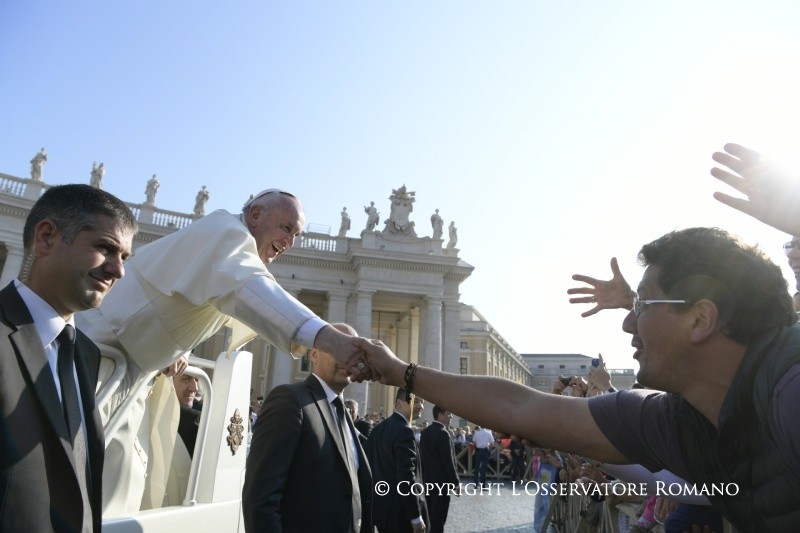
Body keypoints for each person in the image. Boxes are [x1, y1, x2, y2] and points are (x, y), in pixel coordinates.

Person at [357, 224, 800, 531]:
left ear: (700, 319)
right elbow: (525, 408)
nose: (628, 323)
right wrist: (399, 371)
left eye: (642, 307)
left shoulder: (790, 391)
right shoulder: (671, 421)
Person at [77, 188, 371, 515]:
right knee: (89, 485)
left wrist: (177, 347)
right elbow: (249, 290)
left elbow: (177, 304)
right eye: (286, 228)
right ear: (256, 215)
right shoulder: (225, 232)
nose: (291, 242)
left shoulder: (230, 245)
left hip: (128, 369)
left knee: (118, 487)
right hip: (100, 362)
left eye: (297, 234)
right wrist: (330, 339)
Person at [0, 184, 137, 532]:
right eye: (106, 248)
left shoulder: (85, 353)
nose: (118, 270)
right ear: (46, 238)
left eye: (125, 257)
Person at [243, 323, 372, 532]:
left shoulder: (343, 412)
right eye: (337, 349)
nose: (346, 359)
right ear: (313, 355)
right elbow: (260, 497)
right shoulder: (290, 400)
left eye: (353, 353)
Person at [367, 388, 428, 533]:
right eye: (416, 401)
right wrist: (415, 516)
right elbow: (406, 476)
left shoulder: (377, 430)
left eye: (422, 402)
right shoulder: (404, 430)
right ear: (399, 404)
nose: (421, 406)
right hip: (401, 514)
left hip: (381, 511)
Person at [419, 405, 459, 533]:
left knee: (428, 516)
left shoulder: (425, 433)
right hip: (441, 483)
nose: (451, 416)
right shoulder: (443, 433)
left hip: (426, 482)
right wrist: (456, 482)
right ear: (440, 415)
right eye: (448, 414)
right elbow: (448, 461)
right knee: (438, 519)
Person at [173, 371, 201, 457]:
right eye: (185, 379)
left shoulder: (206, 413)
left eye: (196, 379)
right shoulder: (194, 419)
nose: (195, 388)